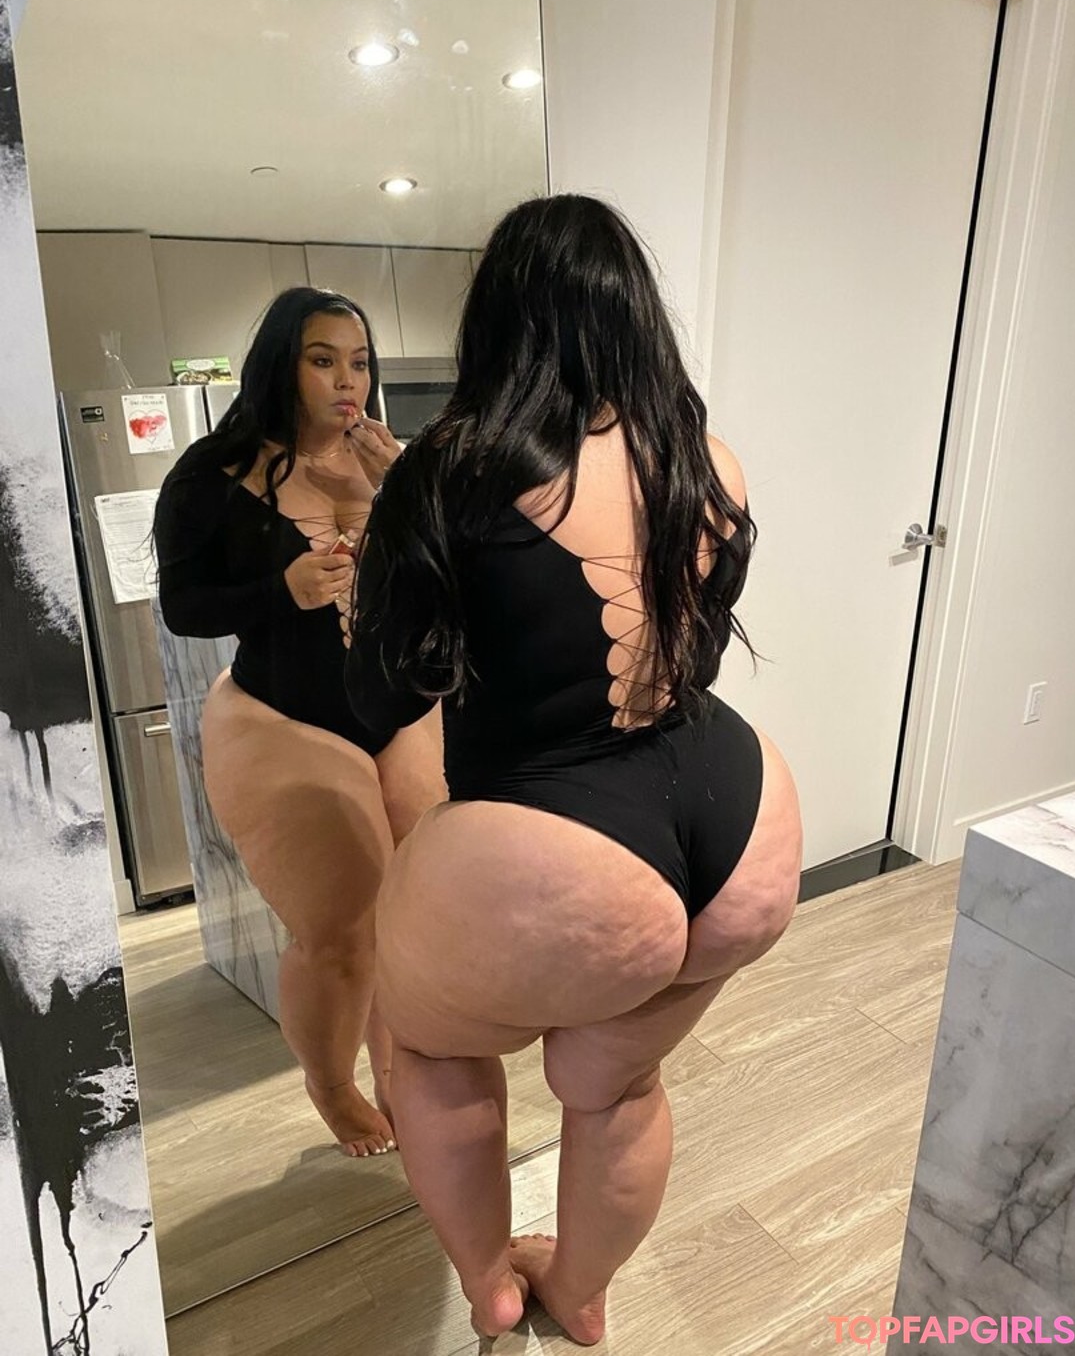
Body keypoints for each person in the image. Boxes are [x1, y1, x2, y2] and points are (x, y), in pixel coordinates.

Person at [345, 195, 803, 1338]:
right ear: (633, 313)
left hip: (561, 835)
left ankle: (492, 1284)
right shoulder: (706, 460)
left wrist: (387, 576)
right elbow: (691, 651)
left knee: (427, 1043)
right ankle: (583, 1290)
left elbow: (385, 696)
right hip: (742, 824)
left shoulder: (448, 468)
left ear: (500, 314)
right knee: (620, 1081)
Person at [154, 287, 445, 1158]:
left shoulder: (390, 461)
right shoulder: (213, 475)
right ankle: (331, 1083)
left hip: (395, 711)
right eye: (324, 360)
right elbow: (183, 607)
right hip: (284, 716)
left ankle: (397, 1067)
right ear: (283, 365)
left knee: (414, 913)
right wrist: (279, 590)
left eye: (360, 362)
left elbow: (452, 579)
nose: (347, 381)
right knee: (342, 933)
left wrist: (409, 492)